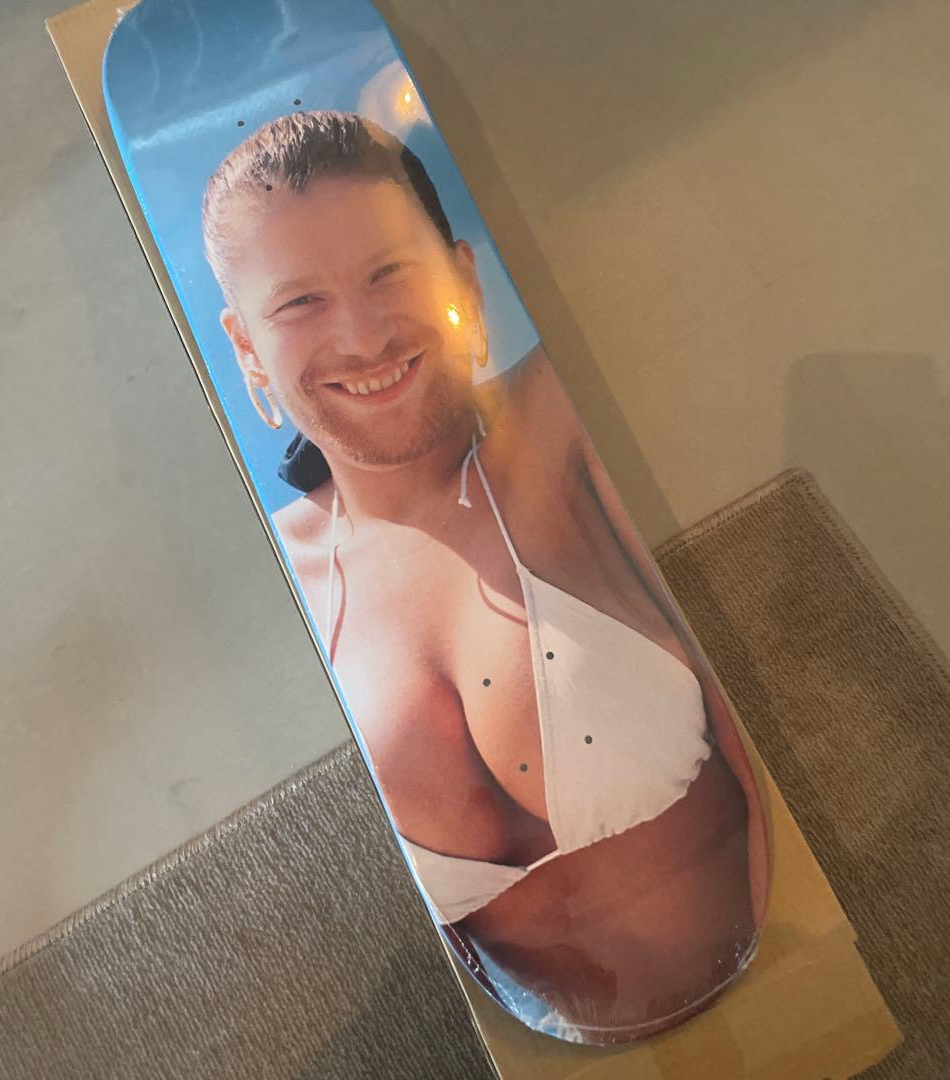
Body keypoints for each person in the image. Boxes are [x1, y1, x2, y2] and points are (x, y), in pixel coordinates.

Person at [202, 110, 769, 1043]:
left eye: (390, 272)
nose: (363, 336)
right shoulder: (283, 586)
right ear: (245, 349)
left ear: (461, 275)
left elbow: (765, 697)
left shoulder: (555, 423)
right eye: (300, 302)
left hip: (793, 985)